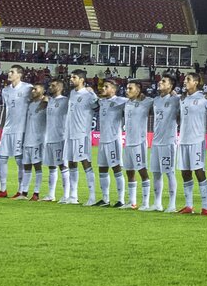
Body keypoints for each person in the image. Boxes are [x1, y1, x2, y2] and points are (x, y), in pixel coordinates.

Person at [0, 65, 31, 199]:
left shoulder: (28, 88)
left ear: (19, 75)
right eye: (9, 71)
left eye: (12, 72)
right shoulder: (5, 90)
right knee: (1, 159)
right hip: (7, 130)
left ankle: (21, 191)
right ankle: (2, 189)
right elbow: (4, 109)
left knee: (19, 161)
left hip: (21, 130)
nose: (9, 74)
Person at [62, 69, 99, 205]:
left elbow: (97, 107)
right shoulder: (72, 93)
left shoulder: (88, 94)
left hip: (81, 134)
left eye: (74, 77)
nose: (71, 79)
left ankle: (92, 197)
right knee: (71, 162)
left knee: (85, 163)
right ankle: (73, 196)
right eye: (71, 77)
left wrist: (94, 94)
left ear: (82, 80)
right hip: (70, 133)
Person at [177, 71, 207, 215]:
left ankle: (205, 207)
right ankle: (189, 205)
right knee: (185, 172)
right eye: (185, 79)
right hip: (183, 139)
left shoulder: (205, 98)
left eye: (188, 79)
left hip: (197, 140)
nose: (185, 81)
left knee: (199, 171)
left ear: (196, 82)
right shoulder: (182, 98)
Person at [149, 75, 180, 212]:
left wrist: (176, 93)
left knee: (169, 172)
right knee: (156, 173)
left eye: (163, 81)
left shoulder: (176, 99)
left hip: (169, 141)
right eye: (160, 80)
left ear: (171, 85)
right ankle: (157, 203)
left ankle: (172, 205)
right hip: (156, 141)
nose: (159, 82)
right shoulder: (155, 100)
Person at [96, 79, 128, 207]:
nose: (103, 88)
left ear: (113, 90)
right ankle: (105, 199)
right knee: (102, 169)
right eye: (103, 86)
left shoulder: (120, 101)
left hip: (113, 139)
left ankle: (121, 200)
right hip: (103, 140)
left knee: (116, 169)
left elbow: (134, 101)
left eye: (106, 86)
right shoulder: (101, 101)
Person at [122, 80, 153, 210]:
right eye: (127, 88)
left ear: (138, 90)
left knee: (142, 171)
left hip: (139, 142)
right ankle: (132, 202)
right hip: (128, 142)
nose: (127, 91)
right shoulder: (126, 103)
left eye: (130, 88)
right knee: (129, 172)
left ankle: (145, 203)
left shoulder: (147, 102)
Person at [15, 84, 48, 201]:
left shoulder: (46, 104)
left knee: (38, 167)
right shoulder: (30, 104)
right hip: (27, 140)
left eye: (36, 89)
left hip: (38, 140)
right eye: (32, 89)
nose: (33, 91)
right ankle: (24, 193)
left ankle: (36, 193)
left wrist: (46, 99)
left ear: (43, 91)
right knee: (27, 167)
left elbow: (51, 101)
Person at [41, 77, 68, 202]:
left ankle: (66, 195)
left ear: (60, 88)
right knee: (51, 167)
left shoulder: (65, 101)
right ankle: (51, 195)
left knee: (63, 166)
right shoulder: (49, 101)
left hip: (60, 138)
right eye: (50, 86)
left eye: (53, 86)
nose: (50, 88)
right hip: (49, 138)